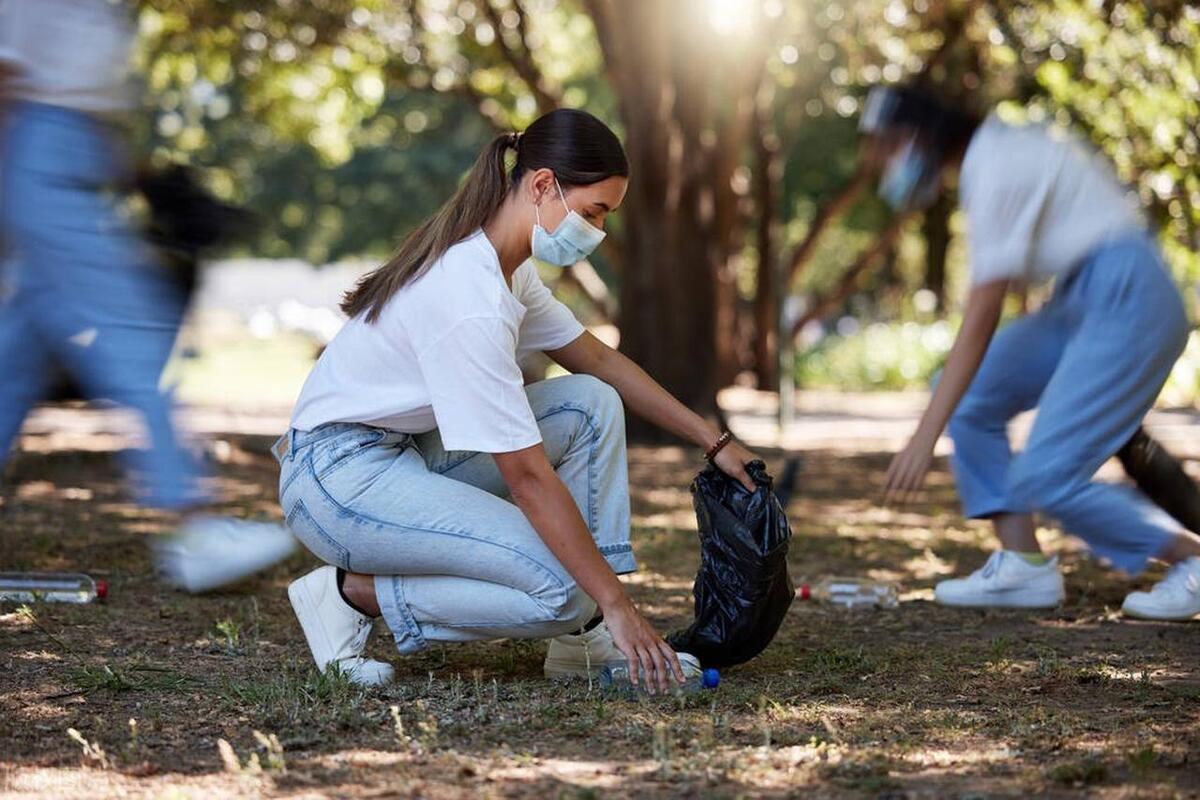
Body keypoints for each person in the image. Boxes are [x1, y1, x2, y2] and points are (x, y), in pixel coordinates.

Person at [276, 107, 759, 688]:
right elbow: (527, 476)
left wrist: (714, 440)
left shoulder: (508, 270)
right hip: (337, 482)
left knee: (588, 403)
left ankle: (581, 642)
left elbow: (598, 360)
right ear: (541, 185)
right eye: (591, 213)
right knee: (564, 591)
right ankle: (351, 595)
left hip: (400, 455)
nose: (597, 234)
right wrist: (615, 602)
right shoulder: (469, 297)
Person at [862, 85, 1200, 620]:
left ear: (918, 136)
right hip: (1078, 300)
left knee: (1046, 475)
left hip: (1128, 296)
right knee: (969, 399)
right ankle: (1025, 566)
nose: (882, 166)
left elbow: (981, 315)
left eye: (885, 147)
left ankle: (1193, 561)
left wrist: (924, 437)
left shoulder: (992, 165)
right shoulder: (992, 155)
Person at [0, 0, 295, 592]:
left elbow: (87, 96)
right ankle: (192, 527)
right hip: (39, 163)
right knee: (136, 328)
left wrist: (145, 178)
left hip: (72, 162)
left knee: (14, 360)